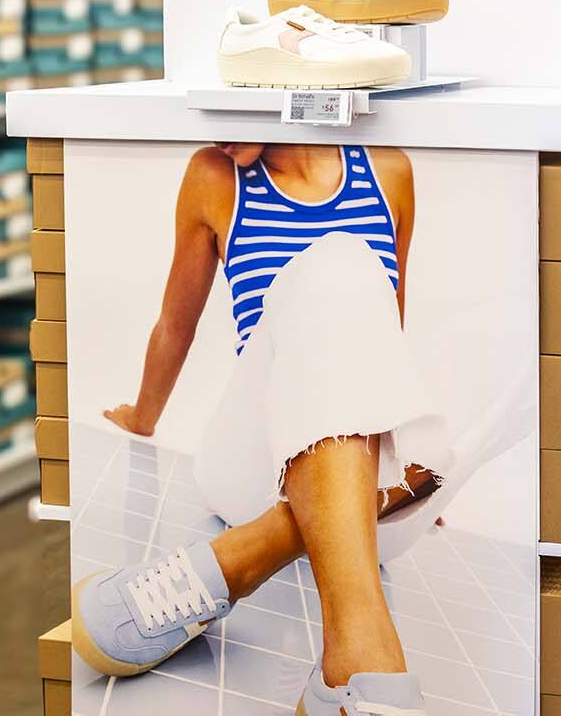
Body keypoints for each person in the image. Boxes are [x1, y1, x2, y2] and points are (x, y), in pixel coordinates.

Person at [73, 141, 444, 714]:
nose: (220, 126)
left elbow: (385, 331)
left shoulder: (388, 171)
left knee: (526, 358)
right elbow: (175, 324)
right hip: (257, 470)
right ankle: (362, 651)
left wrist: (403, 448)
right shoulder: (215, 175)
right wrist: (140, 420)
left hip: (373, 492)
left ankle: (236, 563)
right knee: (339, 262)